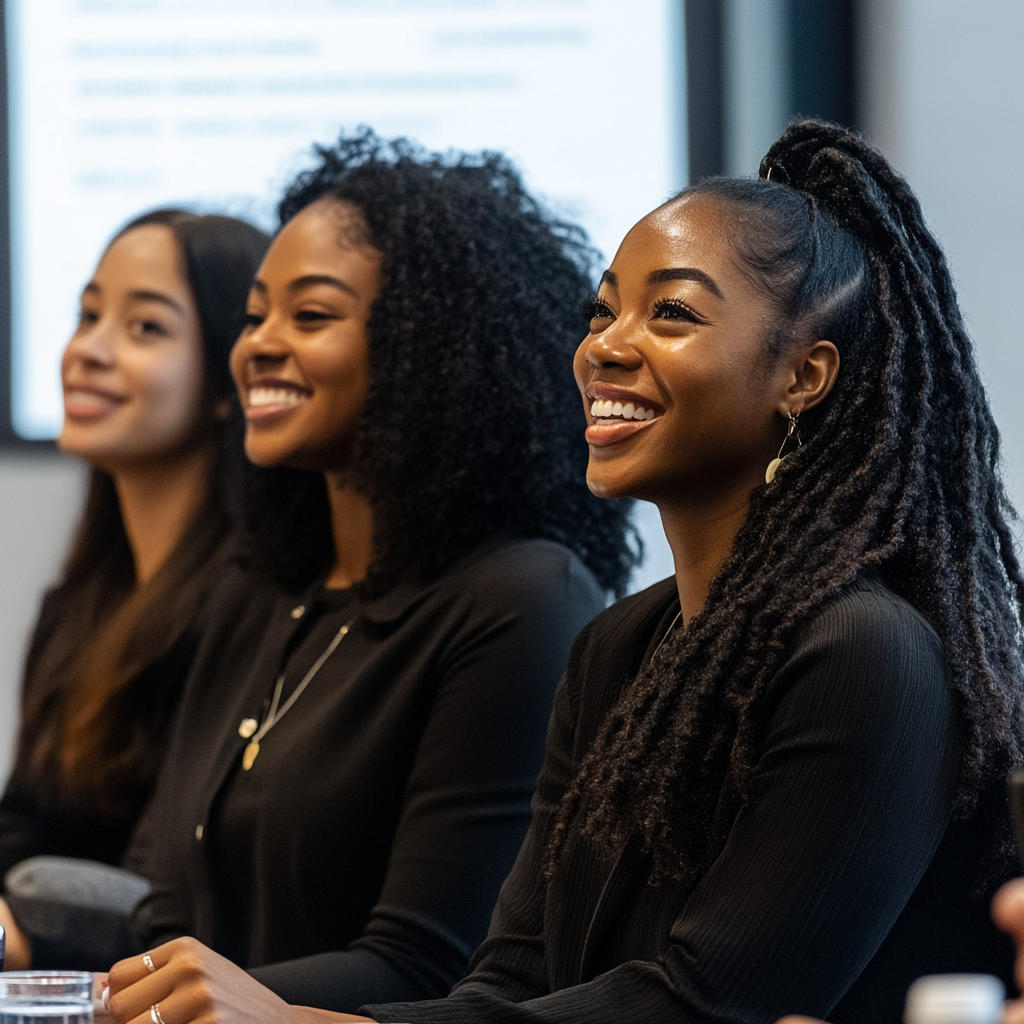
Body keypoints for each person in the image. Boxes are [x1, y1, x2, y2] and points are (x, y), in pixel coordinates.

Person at [104, 117, 1024, 1024]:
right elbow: (505, 986)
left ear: (805, 376)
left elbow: (711, 1006)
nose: (605, 346)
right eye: (603, 308)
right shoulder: (619, 650)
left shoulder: (866, 651)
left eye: (671, 312)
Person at [77, 128, 634, 1005]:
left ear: (429, 351)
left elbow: (434, 965)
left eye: (310, 315)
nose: (258, 343)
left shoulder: (522, 600)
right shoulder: (254, 590)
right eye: (255, 314)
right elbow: (164, 915)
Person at [0, 208, 269, 967]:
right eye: (88, 316)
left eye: (145, 328)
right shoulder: (80, 605)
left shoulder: (251, 610)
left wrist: (27, 927)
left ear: (230, 377)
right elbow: (22, 828)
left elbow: (168, 887)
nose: (87, 350)